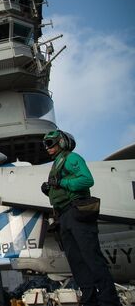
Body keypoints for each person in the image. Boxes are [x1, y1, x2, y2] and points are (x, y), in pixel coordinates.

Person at [40, 130, 120, 306]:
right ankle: (90, 299)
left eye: (50, 143)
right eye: (45, 144)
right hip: (64, 217)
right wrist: (49, 189)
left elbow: (86, 180)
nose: (47, 148)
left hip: (77, 212)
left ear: (61, 142)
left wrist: (62, 183)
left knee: (91, 257)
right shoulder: (57, 164)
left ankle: (109, 300)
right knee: (76, 261)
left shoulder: (71, 158)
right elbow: (61, 189)